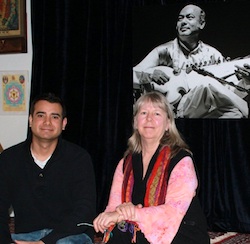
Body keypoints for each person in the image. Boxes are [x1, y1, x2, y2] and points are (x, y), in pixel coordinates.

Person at [93, 91, 210, 244]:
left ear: (168, 123)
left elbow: (171, 213)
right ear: (135, 122)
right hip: (137, 227)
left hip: (181, 231)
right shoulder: (125, 162)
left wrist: (130, 213)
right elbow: (114, 206)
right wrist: (108, 217)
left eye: (157, 113)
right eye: (143, 112)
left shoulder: (182, 160)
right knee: (118, 232)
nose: (149, 118)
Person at [0, 93, 96, 244]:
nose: (47, 122)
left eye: (54, 117)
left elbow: (85, 210)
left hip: (69, 236)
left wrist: (45, 242)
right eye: (41, 115)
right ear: (30, 120)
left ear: (64, 123)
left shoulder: (79, 158)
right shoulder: (9, 159)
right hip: (26, 236)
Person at [133, 4, 248, 118]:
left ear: (201, 24)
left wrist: (246, 81)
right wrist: (150, 75)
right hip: (174, 108)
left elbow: (227, 91)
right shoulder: (164, 51)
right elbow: (133, 73)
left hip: (204, 110)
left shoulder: (213, 54)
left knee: (235, 114)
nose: (183, 21)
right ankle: (247, 109)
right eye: (180, 18)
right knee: (206, 83)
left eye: (189, 17)